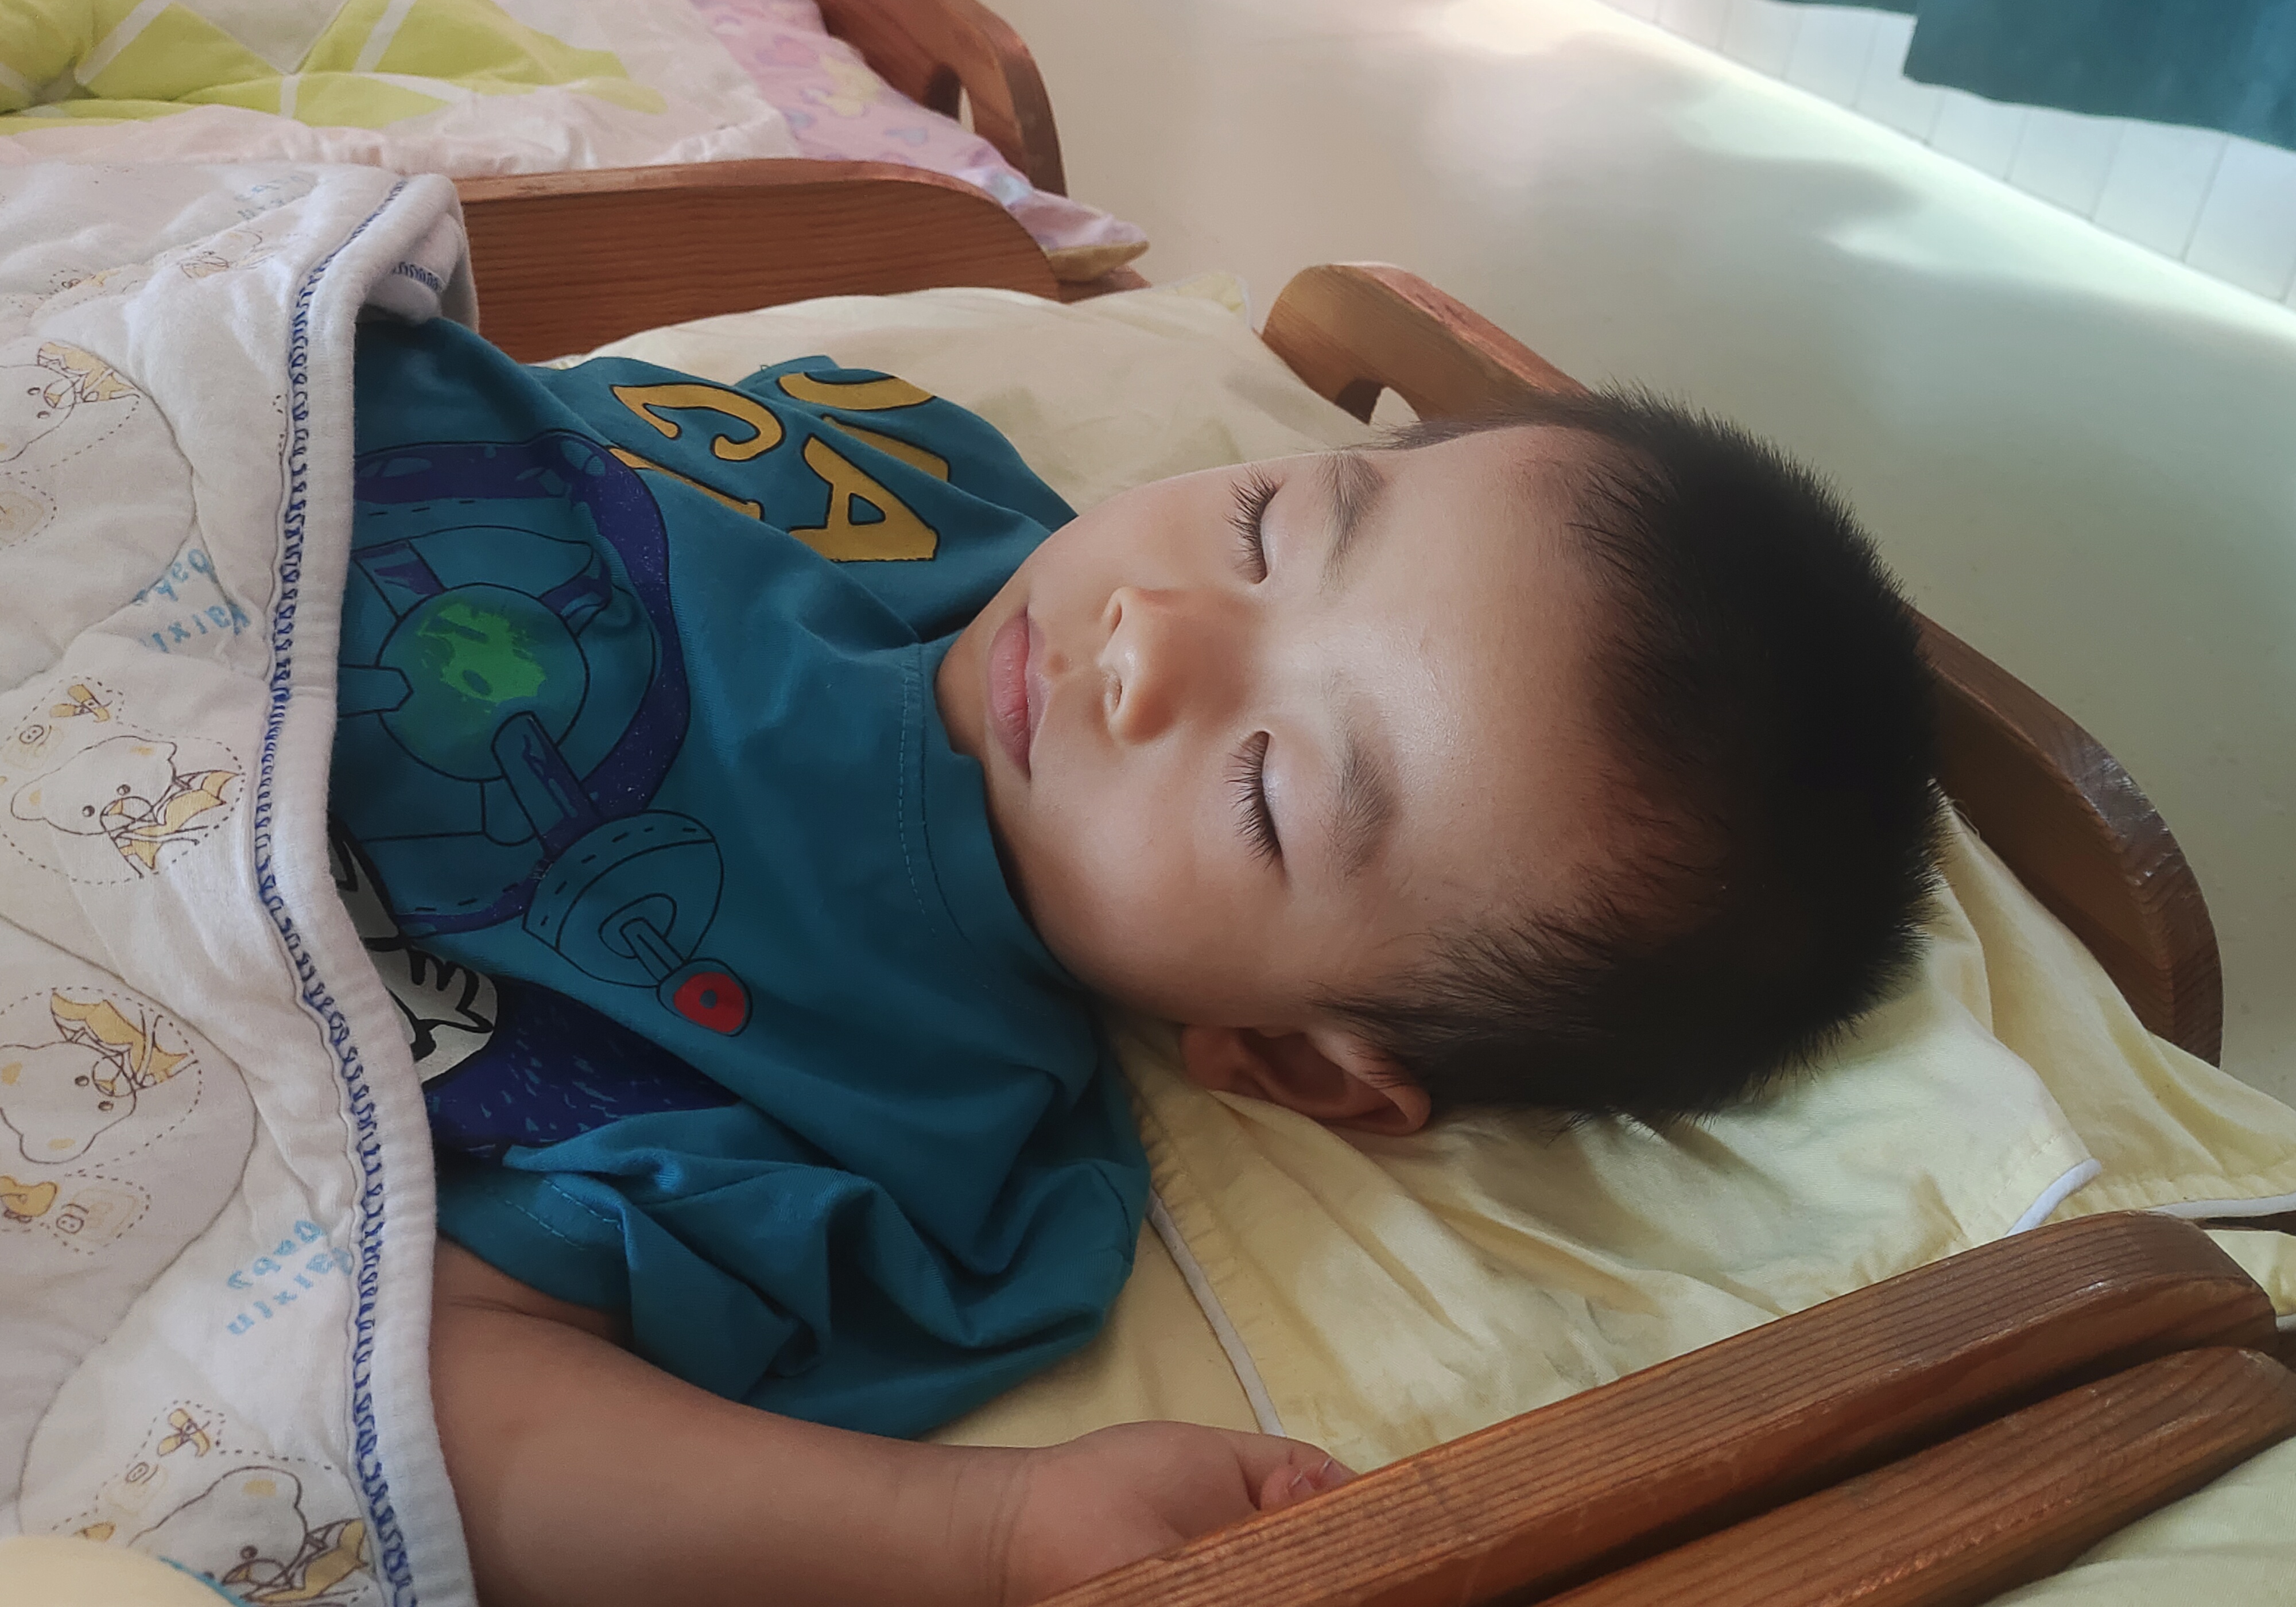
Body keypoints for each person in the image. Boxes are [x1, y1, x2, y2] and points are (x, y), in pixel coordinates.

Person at [335, 317, 1938, 1606]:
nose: (1153, 635)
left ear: (1298, 1058)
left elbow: (451, 1409)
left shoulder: (919, 1115)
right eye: (1265, 526)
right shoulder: (905, 471)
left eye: (1270, 792)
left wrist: (991, 1538)